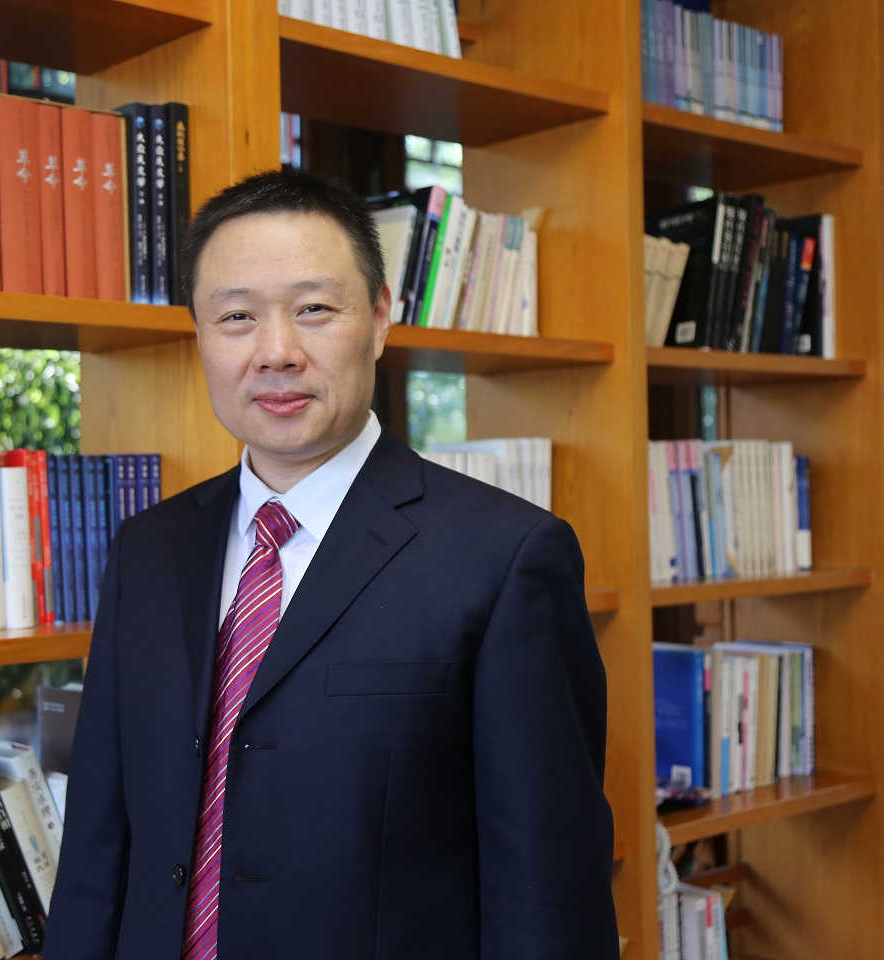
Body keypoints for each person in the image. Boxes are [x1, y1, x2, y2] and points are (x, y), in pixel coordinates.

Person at [44, 169, 617, 959]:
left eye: (313, 309)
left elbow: (548, 896)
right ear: (199, 333)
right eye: (236, 317)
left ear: (380, 318)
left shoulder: (506, 557)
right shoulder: (146, 549)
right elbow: (96, 848)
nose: (277, 353)